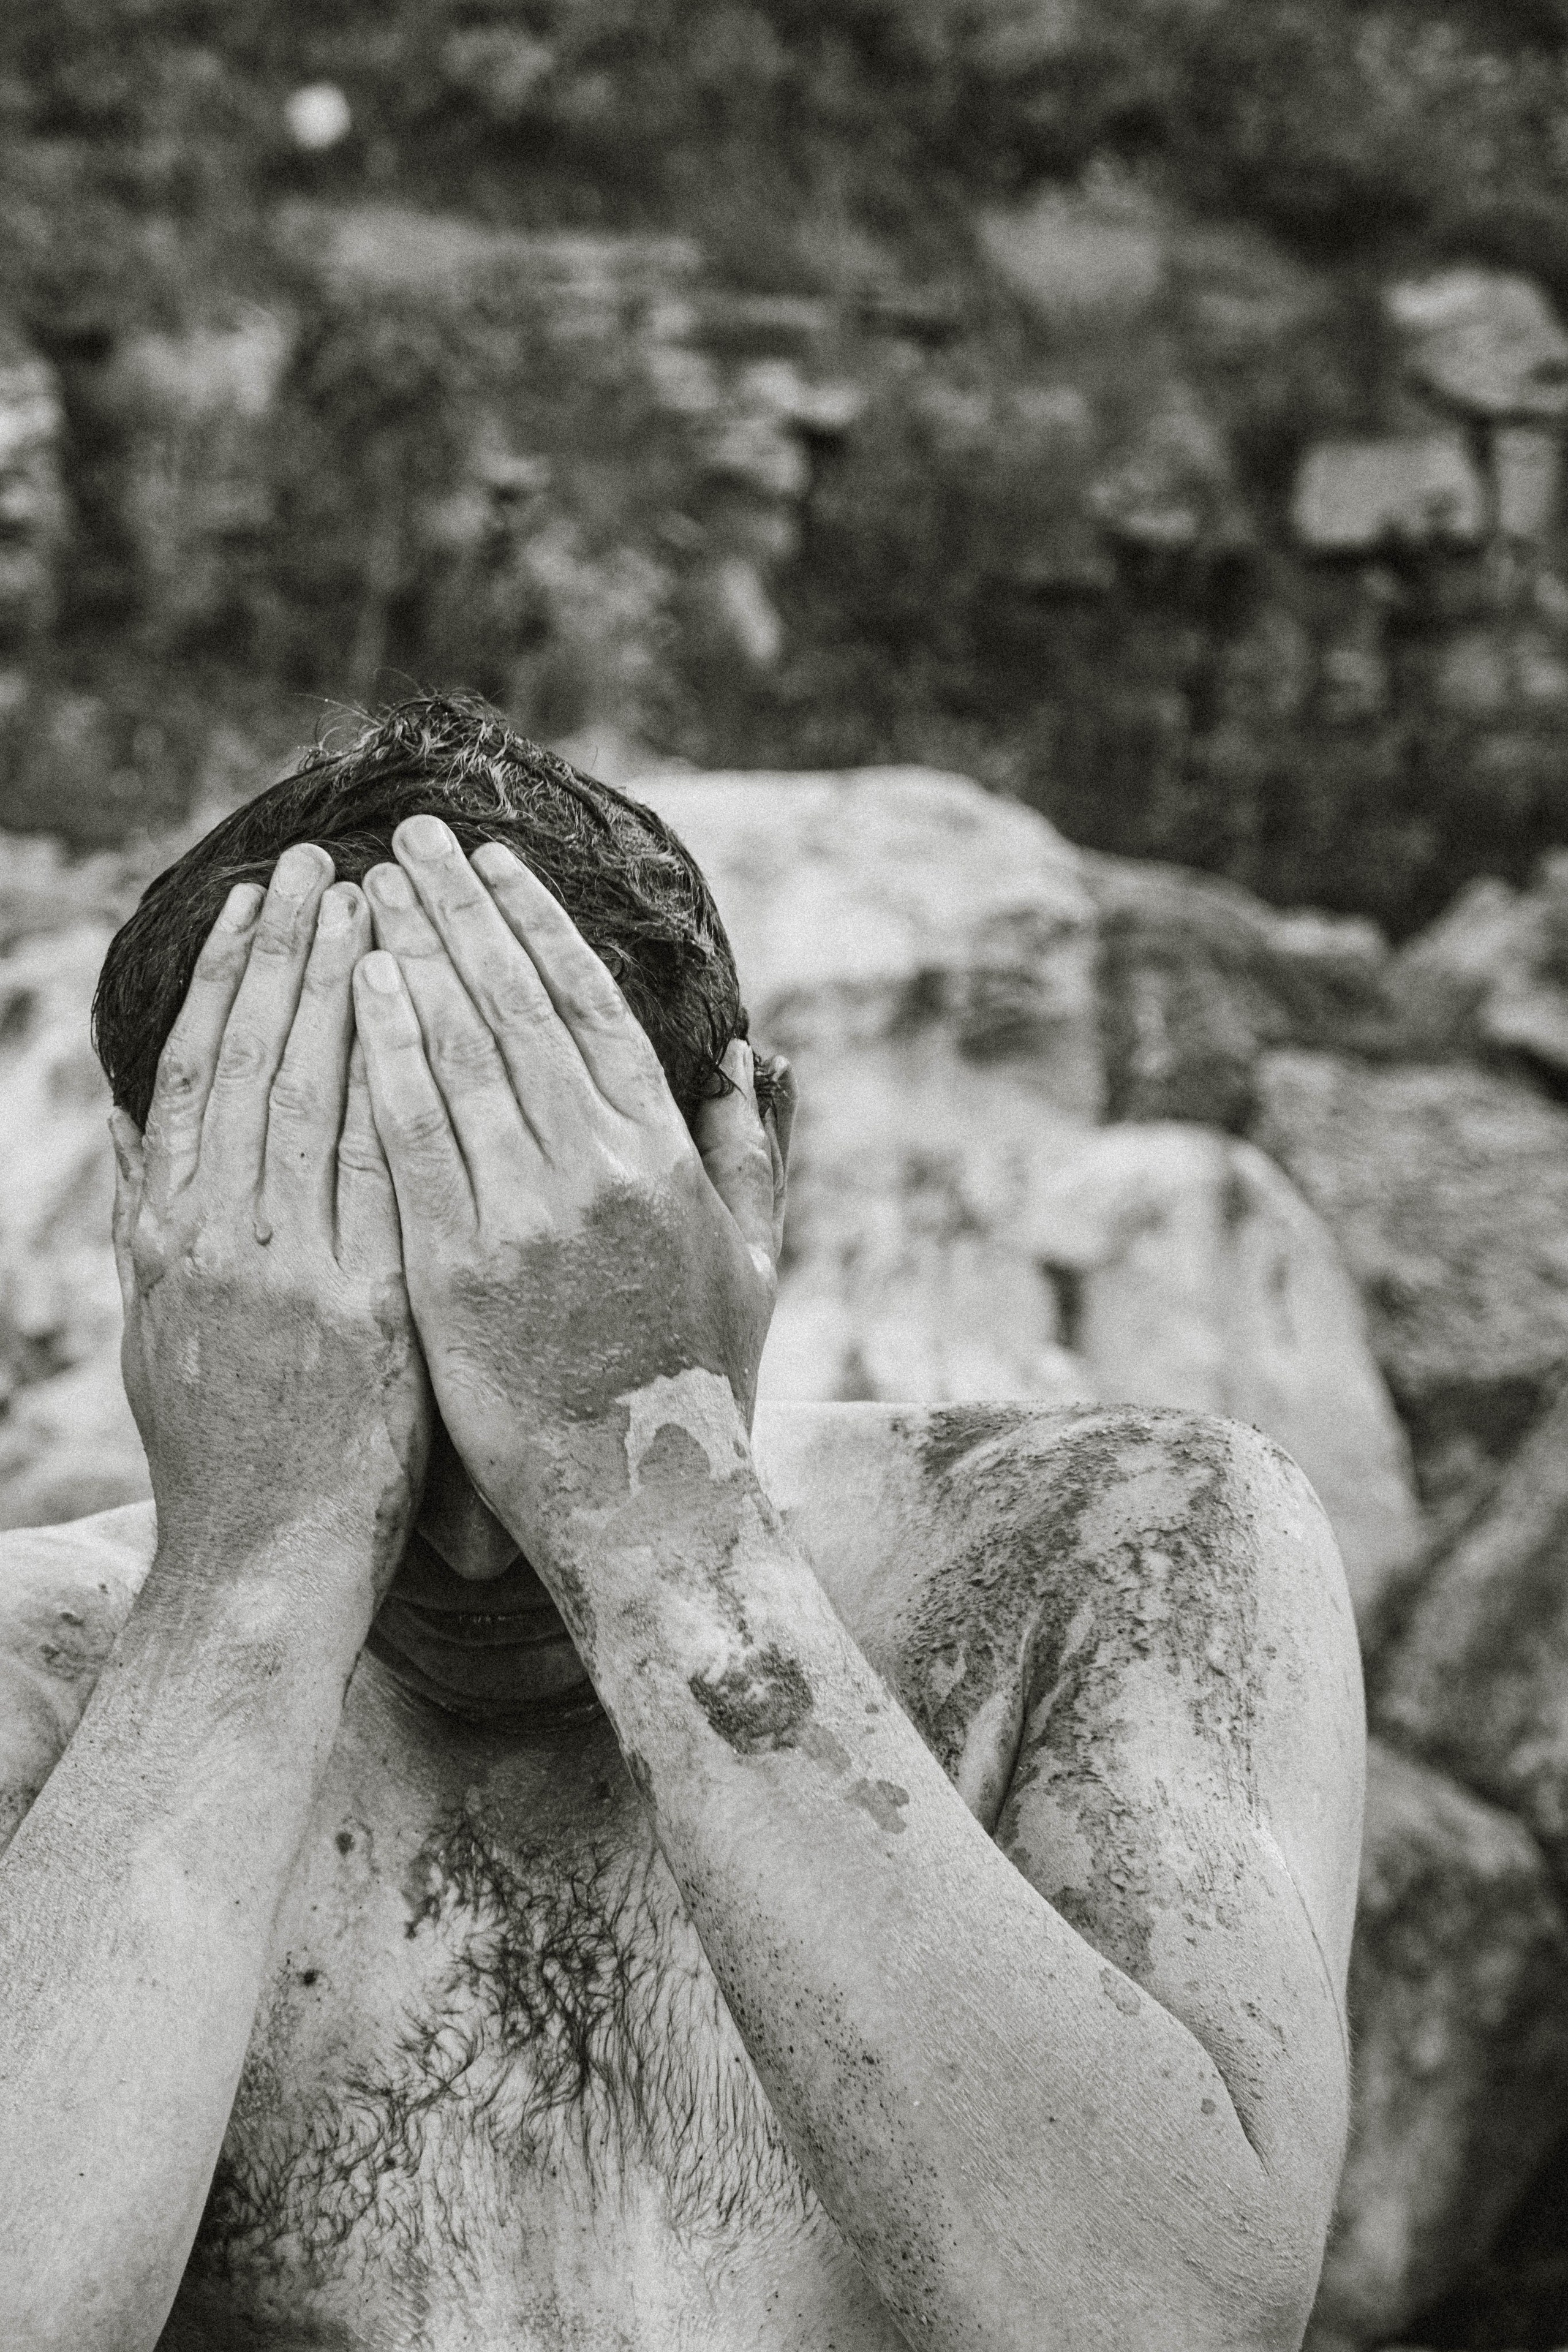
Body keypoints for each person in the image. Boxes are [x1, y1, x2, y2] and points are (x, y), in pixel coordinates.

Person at [0, 696, 1364, 2352]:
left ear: (748, 1168)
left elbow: (1167, 2322)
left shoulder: (1114, 1552)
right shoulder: (40, 1681)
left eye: (540, 1305)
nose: (486, 1543)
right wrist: (252, 1574)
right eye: (376, 1358)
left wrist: (645, 1502)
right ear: (156, 1236)